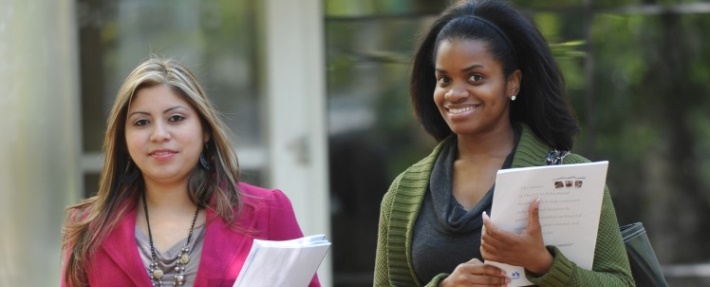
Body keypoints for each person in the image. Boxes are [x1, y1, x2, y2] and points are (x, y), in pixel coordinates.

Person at [373, 0, 634, 286]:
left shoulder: (571, 177)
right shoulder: (403, 195)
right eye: (444, 79)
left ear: (513, 83)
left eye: (475, 77)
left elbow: (621, 283)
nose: (455, 93)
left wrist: (543, 263)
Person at [61, 58, 320, 287]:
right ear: (123, 140)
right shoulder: (89, 227)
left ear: (205, 130)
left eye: (175, 118)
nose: (159, 135)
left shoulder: (267, 212)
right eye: (141, 122)